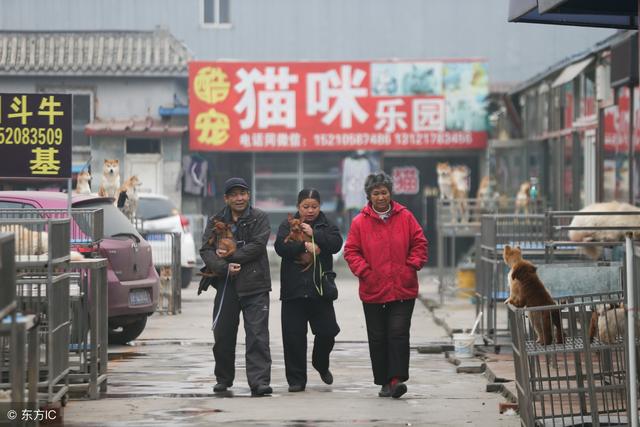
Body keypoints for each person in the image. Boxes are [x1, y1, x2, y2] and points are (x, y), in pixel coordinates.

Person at [343, 172, 428, 399]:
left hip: (403, 287)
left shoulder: (406, 216)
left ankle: (396, 379)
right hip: (373, 289)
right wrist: (365, 272)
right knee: (378, 337)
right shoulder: (359, 222)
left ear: (390, 193)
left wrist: (411, 266)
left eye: (384, 192)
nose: (381, 197)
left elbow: (419, 243)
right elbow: (351, 251)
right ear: (369, 196)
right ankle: (383, 381)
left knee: (398, 333)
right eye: (376, 193)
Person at [200, 177, 273, 397]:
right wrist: (223, 268)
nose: (239, 198)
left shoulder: (259, 217)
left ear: (248, 195)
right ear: (226, 198)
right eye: (234, 194)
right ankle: (223, 379)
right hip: (226, 285)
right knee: (222, 334)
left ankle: (259, 382)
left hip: (255, 284)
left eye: (242, 193)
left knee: (257, 335)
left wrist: (233, 258)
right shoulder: (216, 220)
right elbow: (206, 249)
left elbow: (258, 246)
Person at [274, 189, 343, 392]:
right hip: (293, 290)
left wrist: (316, 235)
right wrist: (304, 246)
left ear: (320, 206)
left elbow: (336, 244)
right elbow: (280, 248)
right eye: (306, 207)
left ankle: (320, 362)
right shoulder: (287, 225)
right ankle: (296, 380)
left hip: (320, 289)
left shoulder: (326, 225)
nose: (310, 211)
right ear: (298, 207)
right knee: (293, 337)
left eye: (314, 206)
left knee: (328, 332)